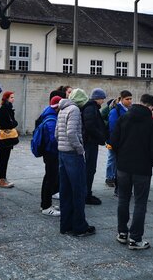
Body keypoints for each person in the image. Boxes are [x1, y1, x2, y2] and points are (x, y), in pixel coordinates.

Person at [110, 93, 153, 250]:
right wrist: (150, 162)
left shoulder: (124, 117)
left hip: (123, 167)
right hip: (142, 169)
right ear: (151, 107)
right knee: (140, 203)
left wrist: (121, 157)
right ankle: (135, 239)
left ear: (140, 103)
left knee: (123, 199)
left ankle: (122, 233)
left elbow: (113, 142)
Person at [56, 88, 95, 237]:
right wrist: (80, 149)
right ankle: (79, 227)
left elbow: (56, 132)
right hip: (73, 154)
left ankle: (65, 225)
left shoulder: (62, 109)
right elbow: (71, 133)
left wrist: (62, 146)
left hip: (62, 153)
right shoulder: (75, 110)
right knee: (78, 191)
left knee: (65, 191)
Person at [82, 88, 108, 205]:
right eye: (102, 99)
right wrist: (101, 136)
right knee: (89, 169)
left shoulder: (92, 108)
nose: (103, 101)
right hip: (90, 143)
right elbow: (90, 126)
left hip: (91, 142)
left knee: (90, 169)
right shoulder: (90, 108)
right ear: (98, 98)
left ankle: (87, 192)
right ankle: (86, 194)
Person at [39, 95, 62, 216]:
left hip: (49, 152)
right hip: (51, 152)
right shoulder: (52, 118)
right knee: (50, 178)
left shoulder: (49, 114)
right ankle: (46, 206)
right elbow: (54, 139)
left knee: (49, 178)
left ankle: (46, 204)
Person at [106, 90, 133, 190]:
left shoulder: (130, 110)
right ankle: (109, 178)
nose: (130, 101)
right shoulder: (115, 111)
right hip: (115, 140)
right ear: (121, 99)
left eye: (130, 99)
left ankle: (117, 179)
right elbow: (113, 127)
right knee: (112, 158)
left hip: (125, 140)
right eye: (127, 99)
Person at [0, 91, 19, 188]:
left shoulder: (8, 108)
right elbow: (5, 123)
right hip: (5, 137)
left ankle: (3, 178)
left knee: (5, 158)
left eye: (13, 97)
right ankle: (2, 179)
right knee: (3, 158)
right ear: (6, 98)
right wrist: (13, 124)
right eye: (11, 97)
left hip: (7, 137)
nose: (13, 99)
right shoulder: (5, 109)